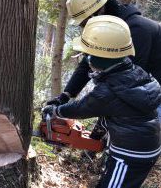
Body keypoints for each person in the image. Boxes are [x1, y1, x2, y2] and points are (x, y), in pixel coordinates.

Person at [44, 15, 161, 188]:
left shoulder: (106, 92)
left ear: (99, 59)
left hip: (128, 153)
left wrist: (56, 110)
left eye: (89, 55)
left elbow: (81, 108)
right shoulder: (135, 73)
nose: (87, 60)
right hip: (144, 146)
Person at [47, 0, 161, 147]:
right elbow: (87, 63)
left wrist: (99, 129)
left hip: (151, 95)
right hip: (132, 92)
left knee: (134, 144)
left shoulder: (136, 29)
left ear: (99, 11)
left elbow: (124, 86)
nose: (84, 27)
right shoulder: (106, 30)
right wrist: (66, 95)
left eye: (84, 22)